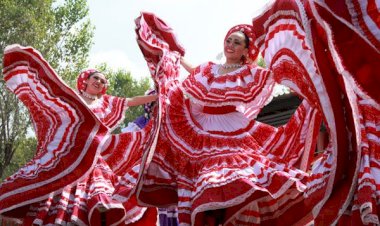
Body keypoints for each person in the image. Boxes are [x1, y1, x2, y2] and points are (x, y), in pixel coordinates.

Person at [126, 12, 325, 226]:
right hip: (200, 128)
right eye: (228, 40)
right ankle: (211, 218)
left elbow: (277, 73)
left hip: (233, 129)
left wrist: (301, 64)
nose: (230, 45)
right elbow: (193, 71)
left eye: (236, 42)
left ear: (245, 50)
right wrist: (171, 52)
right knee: (203, 179)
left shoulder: (250, 73)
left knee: (239, 174)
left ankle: (229, 216)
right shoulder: (209, 68)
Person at [0, 45, 157, 226]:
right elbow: (53, 106)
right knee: (59, 190)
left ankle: (94, 214)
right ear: (86, 80)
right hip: (67, 154)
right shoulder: (72, 98)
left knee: (100, 190)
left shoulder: (106, 102)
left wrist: (156, 97)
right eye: (96, 78)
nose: (99, 82)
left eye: (103, 81)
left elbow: (132, 101)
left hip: (93, 156)